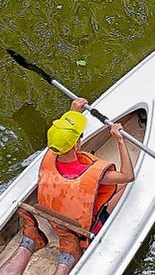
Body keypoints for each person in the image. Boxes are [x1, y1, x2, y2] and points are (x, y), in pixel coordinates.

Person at [37, 99, 137, 236]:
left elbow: (61, 138)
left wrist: (73, 113)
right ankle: (105, 219)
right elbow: (128, 176)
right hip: (86, 228)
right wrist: (120, 141)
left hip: (59, 217)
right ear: (76, 145)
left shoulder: (51, 153)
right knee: (124, 184)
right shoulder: (88, 174)